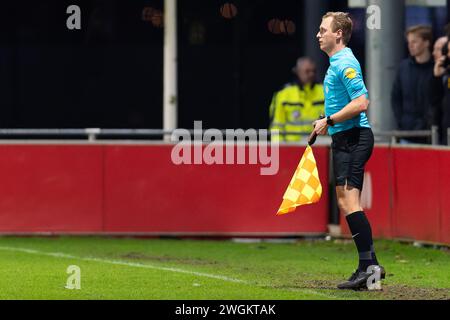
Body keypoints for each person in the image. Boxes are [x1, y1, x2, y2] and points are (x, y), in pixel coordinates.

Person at [314, 12, 385, 290]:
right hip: (344, 138)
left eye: (323, 30)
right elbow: (346, 103)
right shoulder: (336, 63)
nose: (318, 35)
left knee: (350, 203)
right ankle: (369, 268)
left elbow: (361, 103)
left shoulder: (345, 63)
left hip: (354, 138)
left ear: (338, 34)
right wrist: (327, 118)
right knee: (345, 202)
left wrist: (329, 120)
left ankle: (370, 267)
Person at [391, 25, 434, 144]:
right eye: (409, 42)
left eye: (414, 42)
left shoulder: (435, 69)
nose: (410, 45)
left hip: (430, 135)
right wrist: (401, 120)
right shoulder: (404, 67)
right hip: (406, 132)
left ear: (426, 43)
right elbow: (396, 97)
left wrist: (429, 122)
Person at [269, 57, 325, 142]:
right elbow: (276, 125)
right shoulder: (283, 93)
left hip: (319, 144)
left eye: (313, 71)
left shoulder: (324, 91)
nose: (311, 74)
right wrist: (278, 146)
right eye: (307, 71)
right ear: (297, 72)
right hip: (292, 145)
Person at [431, 36, 448, 144]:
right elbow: (434, 102)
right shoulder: (434, 73)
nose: (433, 53)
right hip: (439, 131)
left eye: (438, 49)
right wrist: (436, 77)